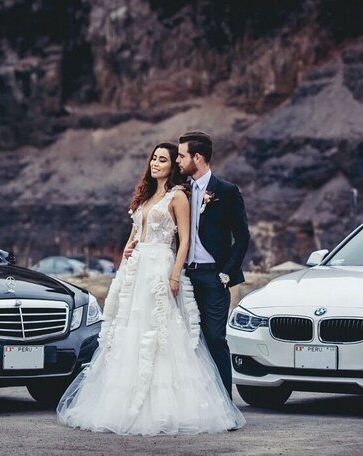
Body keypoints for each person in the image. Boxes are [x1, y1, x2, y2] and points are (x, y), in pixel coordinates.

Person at [56, 142, 245, 435]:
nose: (156, 163)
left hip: (161, 268)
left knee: (165, 333)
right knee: (131, 330)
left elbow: (183, 240)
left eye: (164, 159)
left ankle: (182, 406)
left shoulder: (178, 196)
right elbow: (134, 233)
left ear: (173, 166)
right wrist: (128, 252)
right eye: (154, 159)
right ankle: (123, 403)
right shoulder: (144, 197)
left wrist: (173, 275)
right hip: (138, 269)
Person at [175, 131, 250, 397]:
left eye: (182, 156)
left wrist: (226, 274)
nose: (178, 161)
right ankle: (194, 401)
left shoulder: (226, 191)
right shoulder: (179, 189)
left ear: (198, 157)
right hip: (184, 277)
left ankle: (224, 403)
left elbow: (242, 237)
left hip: (214, 277)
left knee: (215, 338)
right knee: (186, 339)